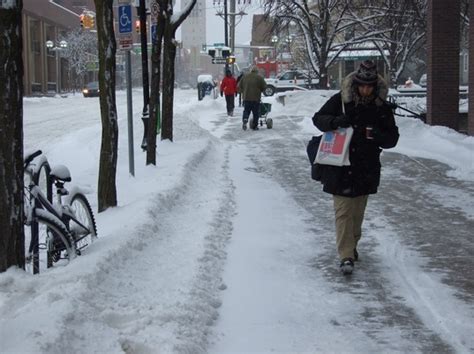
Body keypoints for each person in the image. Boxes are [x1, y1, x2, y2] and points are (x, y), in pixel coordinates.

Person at [312, 60, 399, 275]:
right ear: (356, 84)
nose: (366, 90)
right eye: (362, 85)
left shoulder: (381, 108)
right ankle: (346, 255)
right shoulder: (341, 101)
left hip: (366, 168)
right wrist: (336, 121)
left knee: (357, 214)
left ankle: (352, 245)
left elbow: (392, 138)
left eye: (370, 86)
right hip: (340, 165)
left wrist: (377, 135)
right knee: (343, 212)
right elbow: (318, 119)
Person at [238, 66, 267, 130]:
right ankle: (254, 126)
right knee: (255, 113)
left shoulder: (245, 77)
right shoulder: (259, 77)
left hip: (246, 98)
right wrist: (261, 90)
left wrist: (243, 91)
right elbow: (264, 86)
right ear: (257, 71)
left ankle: (245, 119)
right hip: (255, 98)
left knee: (246, 110)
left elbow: (239, 86)